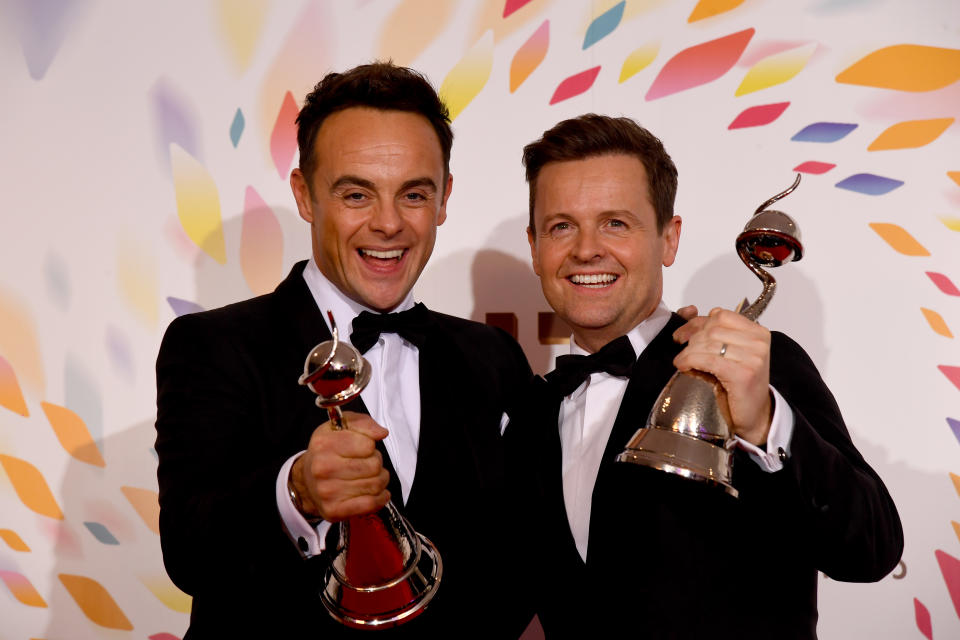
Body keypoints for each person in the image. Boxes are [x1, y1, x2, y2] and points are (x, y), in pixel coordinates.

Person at [154, 63, 532, 638]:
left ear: (444, 199)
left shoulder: (492, 357)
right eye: (357, 193)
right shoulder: (213, 346)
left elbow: (519, 556)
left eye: (413, 194)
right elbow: (189, 552)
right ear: (305, 196)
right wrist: (296, 490)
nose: (388, 223)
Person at [507, 114, 903, 638]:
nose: (586, 250)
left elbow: (870, 550)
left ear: (669, 240)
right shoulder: (531, 416)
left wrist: (764, 422)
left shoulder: (754, 367)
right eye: (561, 226)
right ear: (534, 247)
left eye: (616, 223)